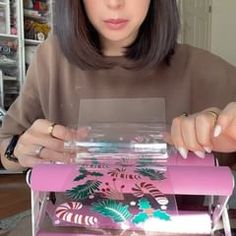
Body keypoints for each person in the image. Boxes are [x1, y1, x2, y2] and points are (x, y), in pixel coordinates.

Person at [0, 0, 236, 171]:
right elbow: (5, 146)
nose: (114, 3)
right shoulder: (50, 59)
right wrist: (19, 150)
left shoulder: (207, 71)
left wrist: (223, 129)